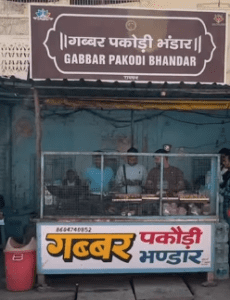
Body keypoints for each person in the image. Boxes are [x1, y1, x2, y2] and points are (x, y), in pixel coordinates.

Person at [219, 149, 230, 225]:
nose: (222, 162)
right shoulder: (226, 172)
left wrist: (218, 191)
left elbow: (226, 191)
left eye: (224, 160)